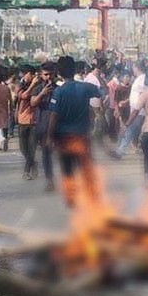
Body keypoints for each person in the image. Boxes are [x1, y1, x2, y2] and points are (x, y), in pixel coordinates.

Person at [46, 56, 102, 207]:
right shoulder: (85, 87)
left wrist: (50, 138)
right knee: (86, 168)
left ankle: (71, 199)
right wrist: (99, 75)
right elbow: (101, 91)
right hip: (82, 137)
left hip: (64, 139)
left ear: (59, 72)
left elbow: (53, 116)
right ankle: (92, 197)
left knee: (67, 169)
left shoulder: (59, 92)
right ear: (74, 70)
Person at [31, 62, 58, 192]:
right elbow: (33, 103)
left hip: (59, 126)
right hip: (43, 126)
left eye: (50, 74)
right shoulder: (38, 89)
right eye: (46, 75)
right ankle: (50, 180)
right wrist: (42, 93)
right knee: (46, 154)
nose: (48, 77)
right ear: (41, 75)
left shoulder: (59, 89)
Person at [16, 66, 39, 180]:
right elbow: (23, 95)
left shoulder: (39, 86)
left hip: (34, 120)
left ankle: (26, 171)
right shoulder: (21, 86)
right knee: (23, 148)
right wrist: (32, 85)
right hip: (23, 119)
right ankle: (33, 164)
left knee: (32, 148)